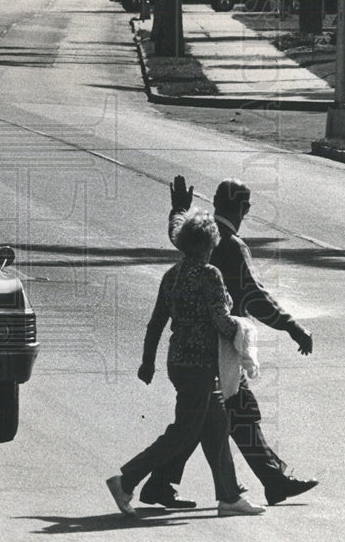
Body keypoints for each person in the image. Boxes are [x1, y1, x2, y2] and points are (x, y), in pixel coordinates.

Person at [140, 176, 318, 509]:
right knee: (211, 419)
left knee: (219, 417)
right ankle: (153, 481)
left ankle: (270, 480)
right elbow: (255, 296)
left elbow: (176, 230)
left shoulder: (198, 233)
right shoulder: (232, 245)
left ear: (217, 202)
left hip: (194, 351)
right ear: (243, 208)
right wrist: (292, 327)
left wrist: (179, 207)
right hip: (220, 349)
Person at [106, 210, 267, 518]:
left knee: (217, 427)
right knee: (184, 432)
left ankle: (230, 497)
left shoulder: (172, 275)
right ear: (209, 243)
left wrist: (147, 362)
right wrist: (244, 330)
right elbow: (221, 322)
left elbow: (156, 323)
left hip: (178, 362)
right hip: (201, 366)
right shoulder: (209, 274)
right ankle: (125, 481)